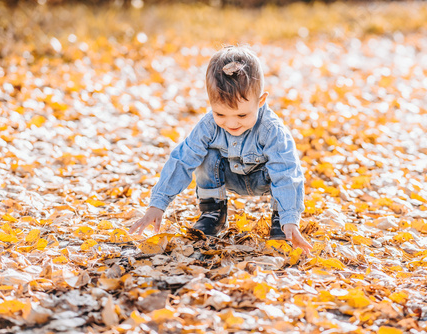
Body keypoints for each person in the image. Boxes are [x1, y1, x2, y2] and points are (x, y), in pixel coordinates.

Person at [129, 45, 313, 254]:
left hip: (264, 178)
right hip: (229, 176)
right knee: (203, 152)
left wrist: (291, 219)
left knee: (283, 170)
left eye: (242, 116)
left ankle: (281, 221)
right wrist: (158, 204)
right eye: (220, 114)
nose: (231, 123)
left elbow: (287, 173)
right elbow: (183, 160)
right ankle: (213, 212)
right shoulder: (208, 126)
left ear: (260, 101)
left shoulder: (272, 130)